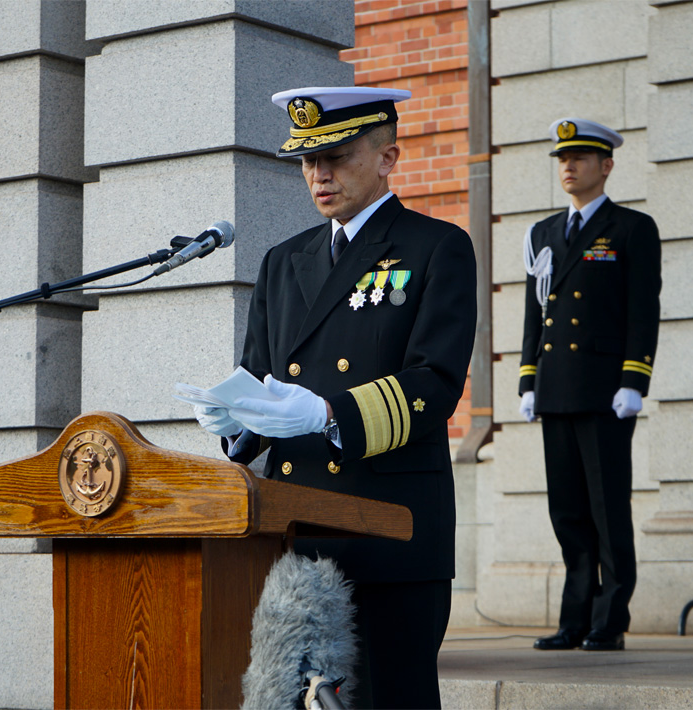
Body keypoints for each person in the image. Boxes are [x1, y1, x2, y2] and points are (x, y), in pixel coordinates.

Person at [193, 86, 476, 708]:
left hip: (390, 530)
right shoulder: (283, 260)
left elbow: (434, 383)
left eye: (338, 156)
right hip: (301, 534)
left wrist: (329, 414)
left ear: (387, 157)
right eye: (306, 160)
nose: (318, 174)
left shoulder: (435, 247)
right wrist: (239, 423)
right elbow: (263, 380)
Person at [519, 118, 661, 652]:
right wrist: (527, 379)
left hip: (604, 393)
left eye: (579, 158)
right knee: (569, 512)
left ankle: (610, 620)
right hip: (556, 389)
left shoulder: (631, 230)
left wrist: (634, 380)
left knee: (607, 509)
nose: (568, 167)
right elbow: (537, 312)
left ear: (606, 165)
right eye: (562, 159)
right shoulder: (544, 233)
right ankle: (573, 618)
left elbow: (642, 312)